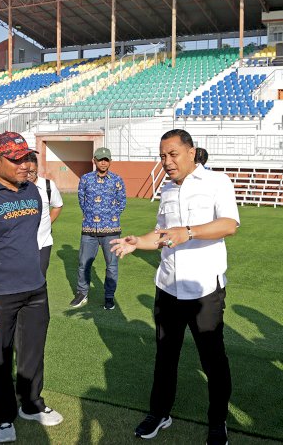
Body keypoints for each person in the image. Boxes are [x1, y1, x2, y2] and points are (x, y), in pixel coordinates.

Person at [110, 129, 239, 444]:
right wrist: (139, 242)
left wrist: (189, 232)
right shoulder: (167, 189)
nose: (166, 162)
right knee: (165, 356)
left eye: (173, 154)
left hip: (204, 290)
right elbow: (162, 233)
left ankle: (218, 421)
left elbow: (229, 225)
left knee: (213, 360)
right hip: (167, 287)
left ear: (191, 152)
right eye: (162, 156)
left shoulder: (217, 182)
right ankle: (160, 412)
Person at [0, 132, 63, 443]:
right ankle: (3, 417)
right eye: (15, 159)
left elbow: (30, 238)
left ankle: (31, 404)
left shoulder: (32, 191)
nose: (24, 164)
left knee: (32, 353)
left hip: (34, 289)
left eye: (25, 157)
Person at [71, 146, 126, 310]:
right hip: (89, 230)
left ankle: (109, 297)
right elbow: (82, 201)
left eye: (106, 159)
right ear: (93, 160)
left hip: (111, 230)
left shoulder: (117, 180)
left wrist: (109, 217)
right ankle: (82, 294)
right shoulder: (86, 179)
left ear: (110, 161)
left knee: (112, 266)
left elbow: (122, 202)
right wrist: (92, 215)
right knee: (83, 264)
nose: (103, 162)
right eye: (100, 159)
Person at [26, 153, 63, 280]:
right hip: (21, 243)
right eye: (26, 172)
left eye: (32, 172)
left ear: (37, 169)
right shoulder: (17, 186)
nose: (29, 175)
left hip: (44, 241)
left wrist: (48, 222)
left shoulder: (48, 186)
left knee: (40, 278)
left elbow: (57, 205)